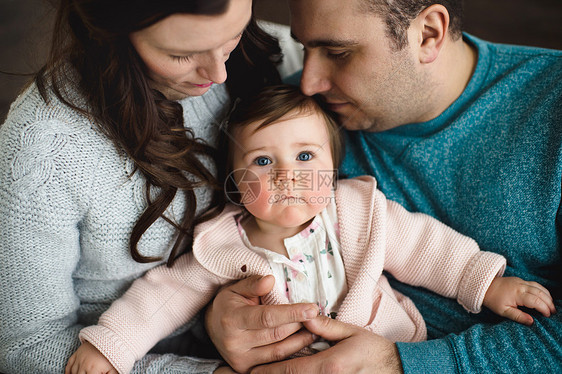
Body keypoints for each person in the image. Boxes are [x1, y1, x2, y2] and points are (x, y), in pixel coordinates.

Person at [66, 85, 555, 374]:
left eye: (305, 156)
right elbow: (161, 296)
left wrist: (487, 283)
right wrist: (109, 347)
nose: (287, 175)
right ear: (235, 185)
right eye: (262, 161)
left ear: (332, 168)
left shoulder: (354, 212)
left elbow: (426, 246)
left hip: (388, 347)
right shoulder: (223, 245)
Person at [205, 0, 562, 373]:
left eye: (337, 52)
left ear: (428, 34)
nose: (309, 81)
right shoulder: (294, 119)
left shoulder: (552, 104)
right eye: (306, 47)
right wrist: (217, 320)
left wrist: (402, 364)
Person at [0, 0, 295, 373]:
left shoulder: (271, 55)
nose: (219, 73)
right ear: (111, 34)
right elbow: (26, 348)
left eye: (232, 34)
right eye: (181, 55)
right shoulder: (43, 152)